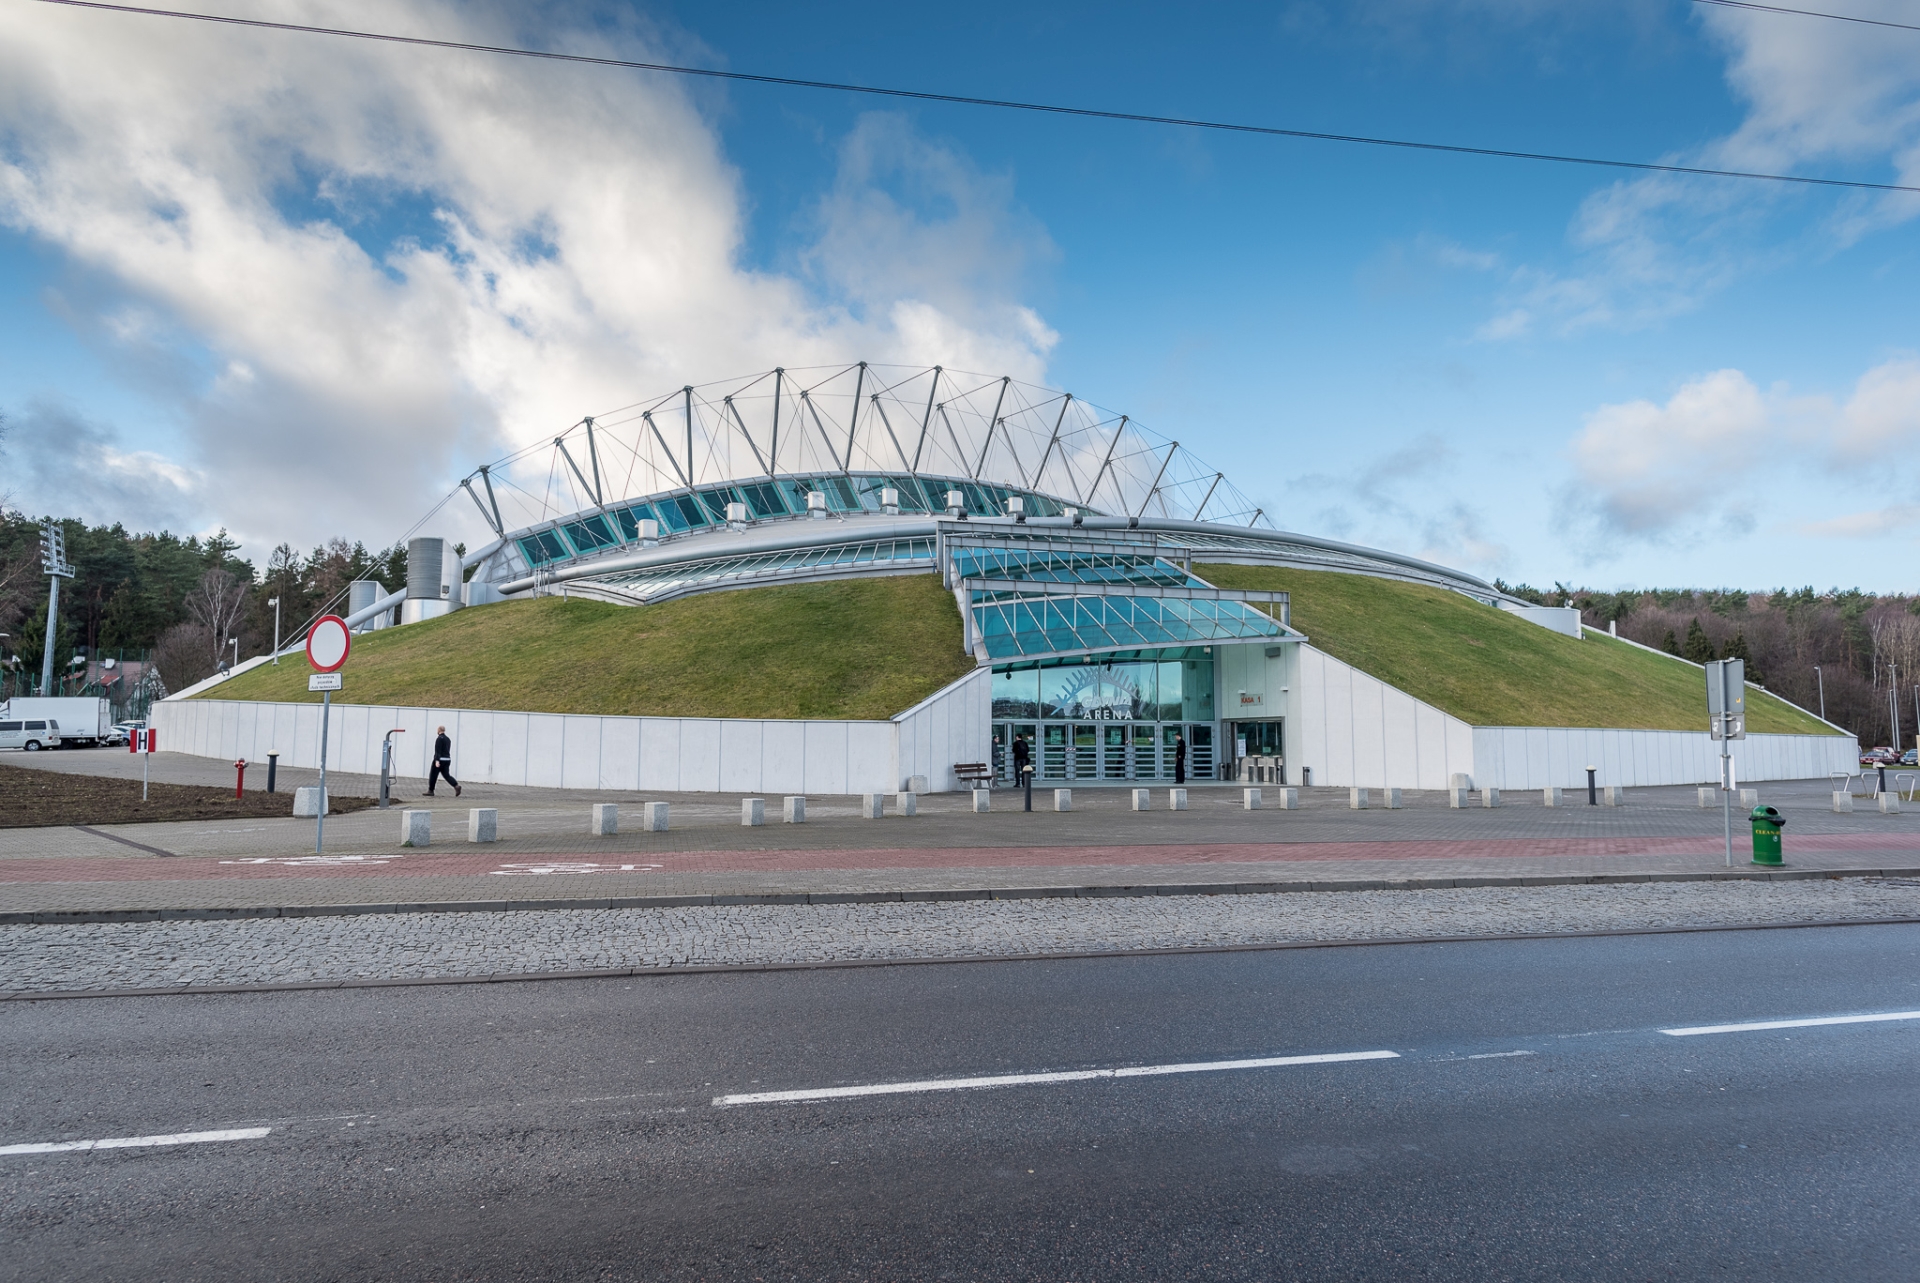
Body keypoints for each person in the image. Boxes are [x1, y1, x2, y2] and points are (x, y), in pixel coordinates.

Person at [426, 724, 462, 797]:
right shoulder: (448, 739)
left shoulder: (439, 739)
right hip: (447, 759)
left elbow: (438, 750)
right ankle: (456, 785)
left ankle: (431, 790)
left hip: (440, 760)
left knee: (433, 775)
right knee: (446, 775)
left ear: (438, 730)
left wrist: (437, 760)